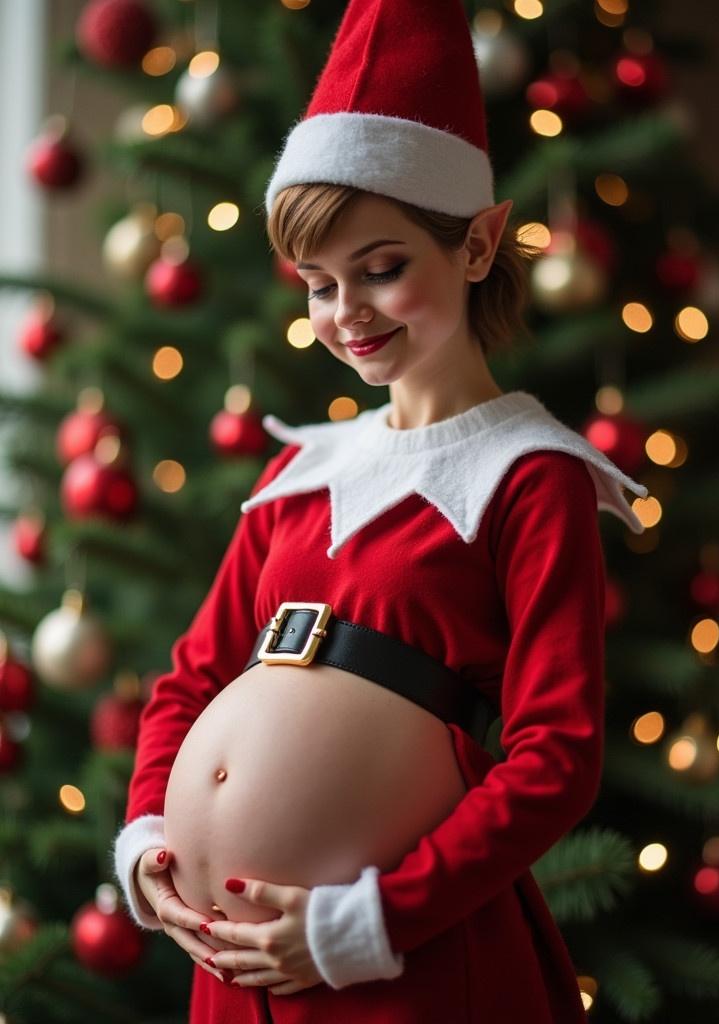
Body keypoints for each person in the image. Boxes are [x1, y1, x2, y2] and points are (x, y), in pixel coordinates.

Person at [112, 1, 649, 1021]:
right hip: (234, 961)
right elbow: (189, 679)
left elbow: (556, 757)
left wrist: (369, 921)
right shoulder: (302, 471)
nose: (344, 314)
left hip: (399, 963)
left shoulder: (530, 475)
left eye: (383, 268)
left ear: (480, 244)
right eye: (318, 284)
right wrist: (148, 845)